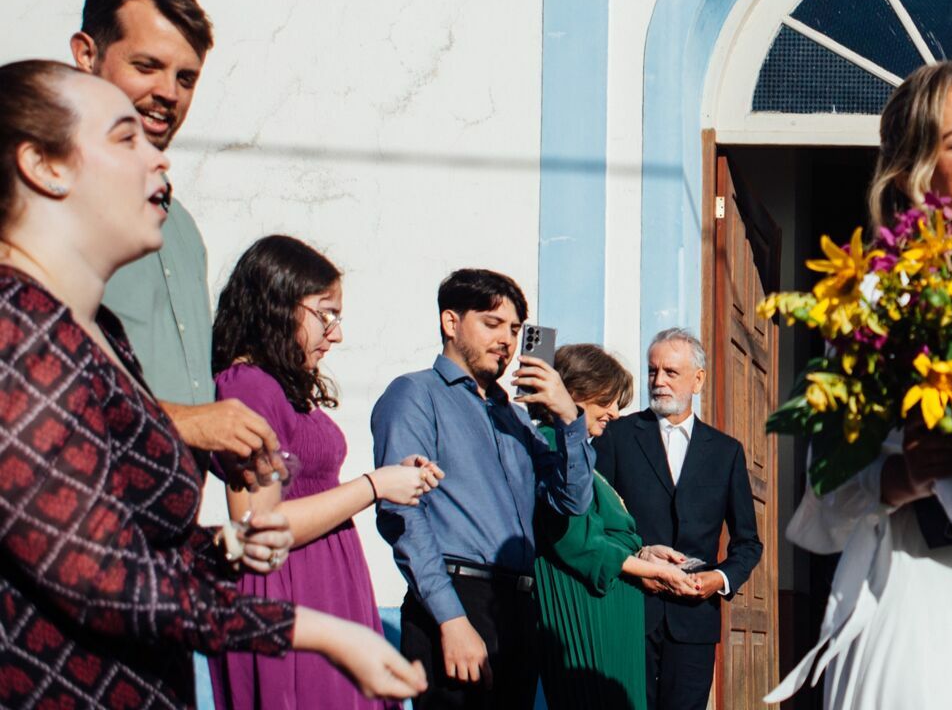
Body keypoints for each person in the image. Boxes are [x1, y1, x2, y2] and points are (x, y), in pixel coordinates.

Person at [0, 59, 425, 708]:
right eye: (125, 138)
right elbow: (101, 579)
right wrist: (317, 632)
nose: (160, 160)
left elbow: (127, 545)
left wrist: (225, 546)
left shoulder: (101, 329)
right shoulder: (16, 324)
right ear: (44, 166)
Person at [769, 61, 952, 709]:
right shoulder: (877, 295)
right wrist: (906, 477)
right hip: (919, 596)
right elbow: (824, 494)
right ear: (918, 171)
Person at [208, 234, 446, 710]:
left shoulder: (280, 386)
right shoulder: (248, 386)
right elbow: (258, 525)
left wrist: (389, 477)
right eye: (325, 314)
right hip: (288, 592)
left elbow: (312, 487)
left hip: (326, 584)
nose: (335, 334)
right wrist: (375, 485)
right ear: (277, 304)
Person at [74, 0, 284, 484]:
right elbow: (29, 380)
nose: (169, 92)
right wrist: (190, 422)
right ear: (86, 55)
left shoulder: (181, 226)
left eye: (185, 77)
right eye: (147, 66)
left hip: (157, 532)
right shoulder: (42, 192)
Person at [372, 268, 595, 709]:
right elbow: (401, 515)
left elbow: (572, 499)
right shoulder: (414, 394)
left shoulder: (513, 415)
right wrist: (451, 617)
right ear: (451, 323)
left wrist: (568, 417)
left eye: (514, 330)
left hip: (518, 607)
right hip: (455, 598)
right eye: (491, 324)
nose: (507, 341)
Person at [594, 328, 762, 710]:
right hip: (629, 611)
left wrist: (718, 579)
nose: (659, 381)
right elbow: (598, 521)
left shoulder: (726, 452)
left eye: (670, 372)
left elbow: (748, 542)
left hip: (694, 623)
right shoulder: (617, 436)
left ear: (698, 380)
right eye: (653, 372)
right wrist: (637, 565)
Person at [533, 343, 698, 710]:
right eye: (605, 400)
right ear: (571, 392)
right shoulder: (550, 446)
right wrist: (650, 569)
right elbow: (577, 540)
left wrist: (644, 552)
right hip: (585, 619)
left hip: (609, 617)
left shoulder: (581, 458)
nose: (614, 412)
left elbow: (602, 533)